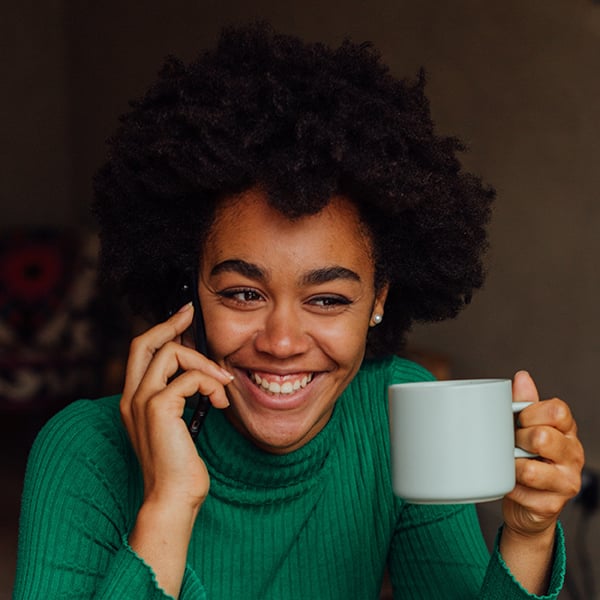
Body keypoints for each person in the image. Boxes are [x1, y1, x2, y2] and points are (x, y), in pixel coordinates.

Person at [14, 23, 584, 599]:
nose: (282, 342)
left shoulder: (395, 415)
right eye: (243, 293)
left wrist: (529, 535)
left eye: (328, 300)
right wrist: (167, 506)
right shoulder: (84, 450)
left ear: (378, 300)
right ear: (189, 292)